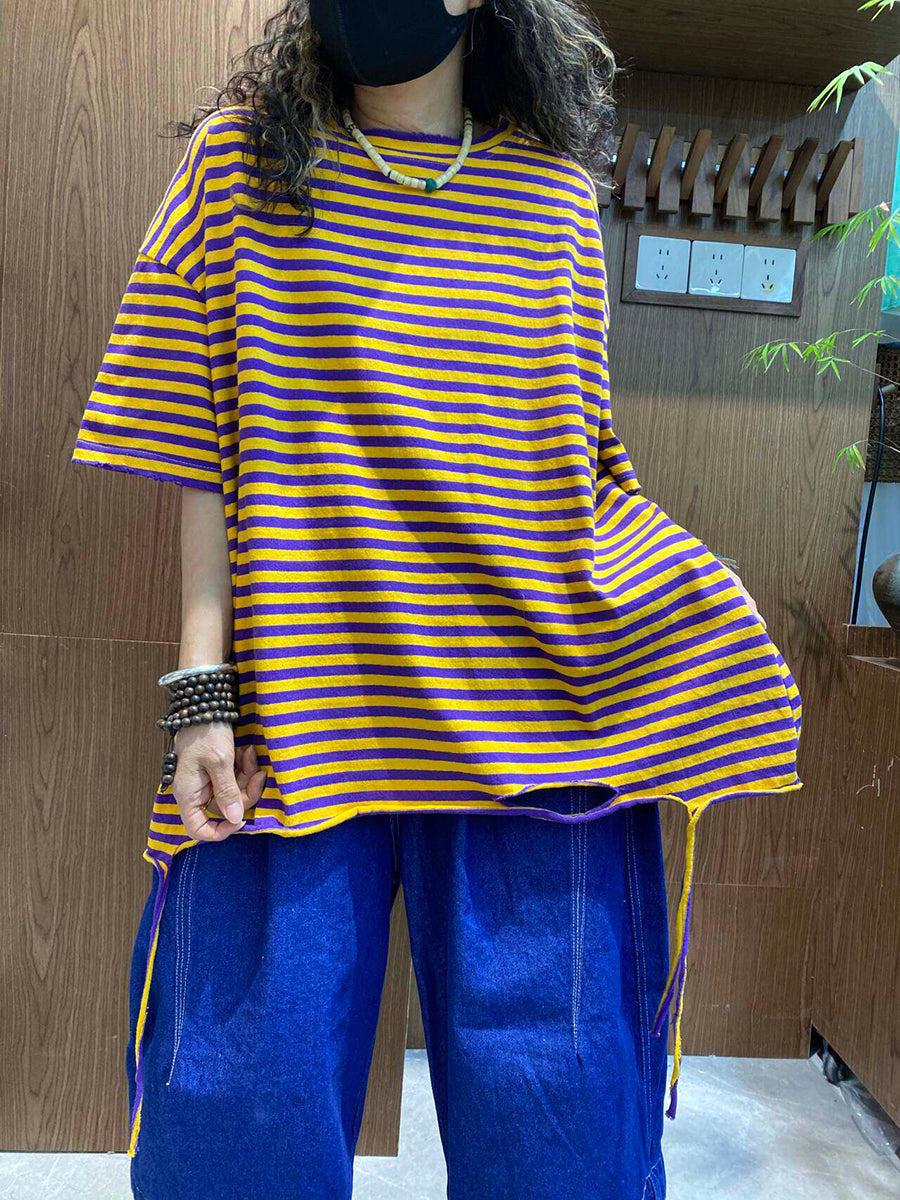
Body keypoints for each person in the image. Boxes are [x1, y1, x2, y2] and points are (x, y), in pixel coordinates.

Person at [70, 0, 803, 1195]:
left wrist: (678, 618)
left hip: (532, 716)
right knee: (240, 1124)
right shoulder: (241, 166)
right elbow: (194, 441)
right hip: (294, 717)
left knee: (558, 1129)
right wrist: (201, 690)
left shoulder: (552, 194)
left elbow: (570, 463)